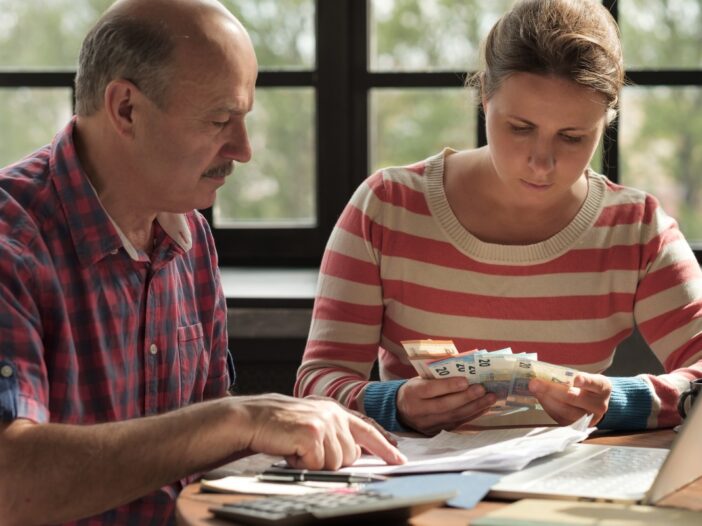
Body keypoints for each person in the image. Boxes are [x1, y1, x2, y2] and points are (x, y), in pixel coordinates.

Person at [0, 0, 405, 524]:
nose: (243, 149)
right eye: (220, 120)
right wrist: (240, 417)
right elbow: (10, 482)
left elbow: (203, 454)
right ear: (126, 108)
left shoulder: (188, 234)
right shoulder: (13, 244)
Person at [295, 0, 702, 436]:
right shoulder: (387, 206)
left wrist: (620, 402)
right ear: (485, 96)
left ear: (607, 119)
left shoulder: (636, 229)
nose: (541, 163)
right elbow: (316, 386)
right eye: (520, 128)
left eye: (572, 137)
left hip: (566, 486)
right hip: (419, 486)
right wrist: (393, 403)